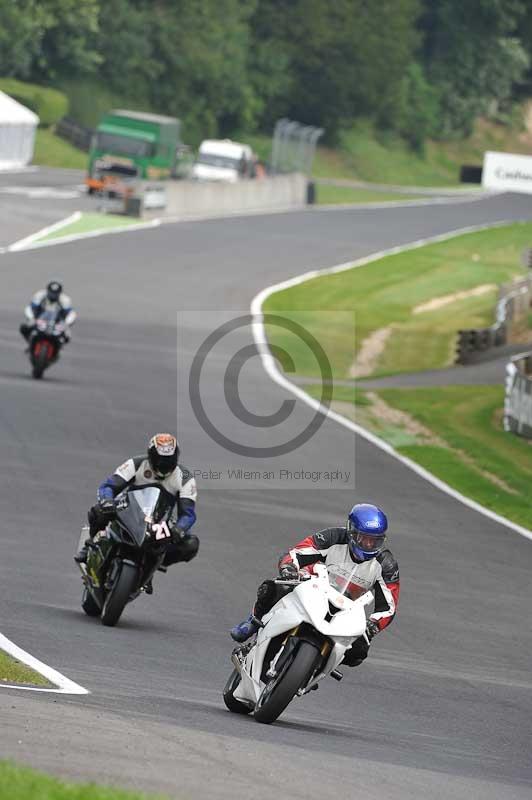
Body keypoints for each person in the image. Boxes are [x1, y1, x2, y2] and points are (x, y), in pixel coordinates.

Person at [230, 503, 399, 667]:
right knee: (273, 588)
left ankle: (316, 667)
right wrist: (290, 567)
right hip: (313, 587)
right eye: (364, 539)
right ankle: (254, 622)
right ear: (352, 532)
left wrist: (373, 625)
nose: (369, 545)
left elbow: (388, 606)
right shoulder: (333, 537)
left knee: (358, 652)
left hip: (346, 609)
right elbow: (298, 551)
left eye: (375, 541)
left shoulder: (386, 564)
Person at [75, 434, 199, 583]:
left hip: (158, 523)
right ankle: (90, 546)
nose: (163, 464)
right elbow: (108, 486)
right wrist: (107, 501)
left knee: (191, 544)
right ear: (151, 455)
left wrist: (179, 529)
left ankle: (157, 563)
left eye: (168, 460)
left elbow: (188, 514)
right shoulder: (136, 464)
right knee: (99, 510)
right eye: (160, 459)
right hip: (128, 510)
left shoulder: (185, 478)